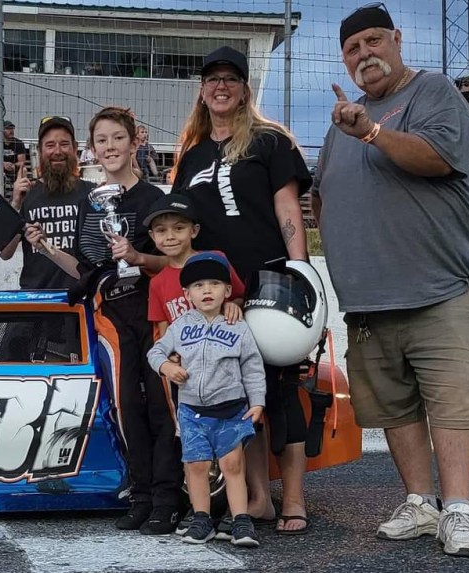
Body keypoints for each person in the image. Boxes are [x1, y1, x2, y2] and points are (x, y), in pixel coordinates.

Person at [311, 4, 469, 557]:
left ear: (396, 39)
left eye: (373, 41)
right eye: (352, 48)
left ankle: (458, 510)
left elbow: (437, 158)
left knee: (453, 401)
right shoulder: (342, 123)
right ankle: (420, 503)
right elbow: (321, 194)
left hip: (441, 288)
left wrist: (370, 131)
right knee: (395, 407)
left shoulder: (431, 91)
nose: (364, 54)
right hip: (370, 300)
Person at [170, 45, 314, 537]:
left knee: (281, 391)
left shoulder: (271, 142)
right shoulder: (191, 156)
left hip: (271, 284)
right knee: (236, 396)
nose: (221, 86)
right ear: (202, 90)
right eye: (213, 79)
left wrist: (301, 273)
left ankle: (293, 498)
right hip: (219, 295)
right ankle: (257, 498)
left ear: (245, 88)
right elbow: (183, 231)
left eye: (231, 78)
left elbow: (288, 208)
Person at [26, 106, 181, 535]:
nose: (110, 147)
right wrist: (47, 248)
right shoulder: (90, 202)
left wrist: (137, 256)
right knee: (125, 407)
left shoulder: (154, 199)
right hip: (110, 315)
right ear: (92, 150)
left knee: (161, 405)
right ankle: (141, 495)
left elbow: (172, 263)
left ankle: (169, 499)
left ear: (134, 143)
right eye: (102, 140)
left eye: (117, 138)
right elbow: (86, 269)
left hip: (152, 313)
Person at [147, 252, 266, 547]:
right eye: (198, 286)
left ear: (228, 290)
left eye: (214, 284)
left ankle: (240, 520)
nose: (207, 290)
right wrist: (167, 367)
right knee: (196, 466)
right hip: (192, 411)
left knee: (232, 464)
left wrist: (257, 401)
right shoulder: (179, 326)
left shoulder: (238, 327)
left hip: (231, 410)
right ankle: (201, 518)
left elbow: (252, 366)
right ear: (187, 294)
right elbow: (155, 352)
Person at [0, 115, 93, 290]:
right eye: (50, 145)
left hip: (81, 297)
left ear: (75, 148)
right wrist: (16, 204)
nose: (57, 151)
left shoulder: (91, 193)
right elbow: (5, 253)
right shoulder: (26, 194)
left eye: (64, 144)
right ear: (40, 150)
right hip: (37, 298)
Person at [143, 193, 245, 335]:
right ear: (152, 236)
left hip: (225, 342)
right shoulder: (156, 283)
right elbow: (164, 333)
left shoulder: (216, 259)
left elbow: (241, 297)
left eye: (179, 228)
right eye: (161, 230)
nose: (170, 237)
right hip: (184, 349)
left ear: (194, 230)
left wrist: (233, 305)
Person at [2, 120, 28, 200]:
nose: (11, 131)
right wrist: (3, 164)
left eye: (12, 128)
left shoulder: (18, 143)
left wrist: (13, 165)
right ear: (2, 130)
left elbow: (22, 162)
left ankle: (22, 196)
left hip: (14, 169)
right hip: (1, 168)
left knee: (24, 170)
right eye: (8, 129)